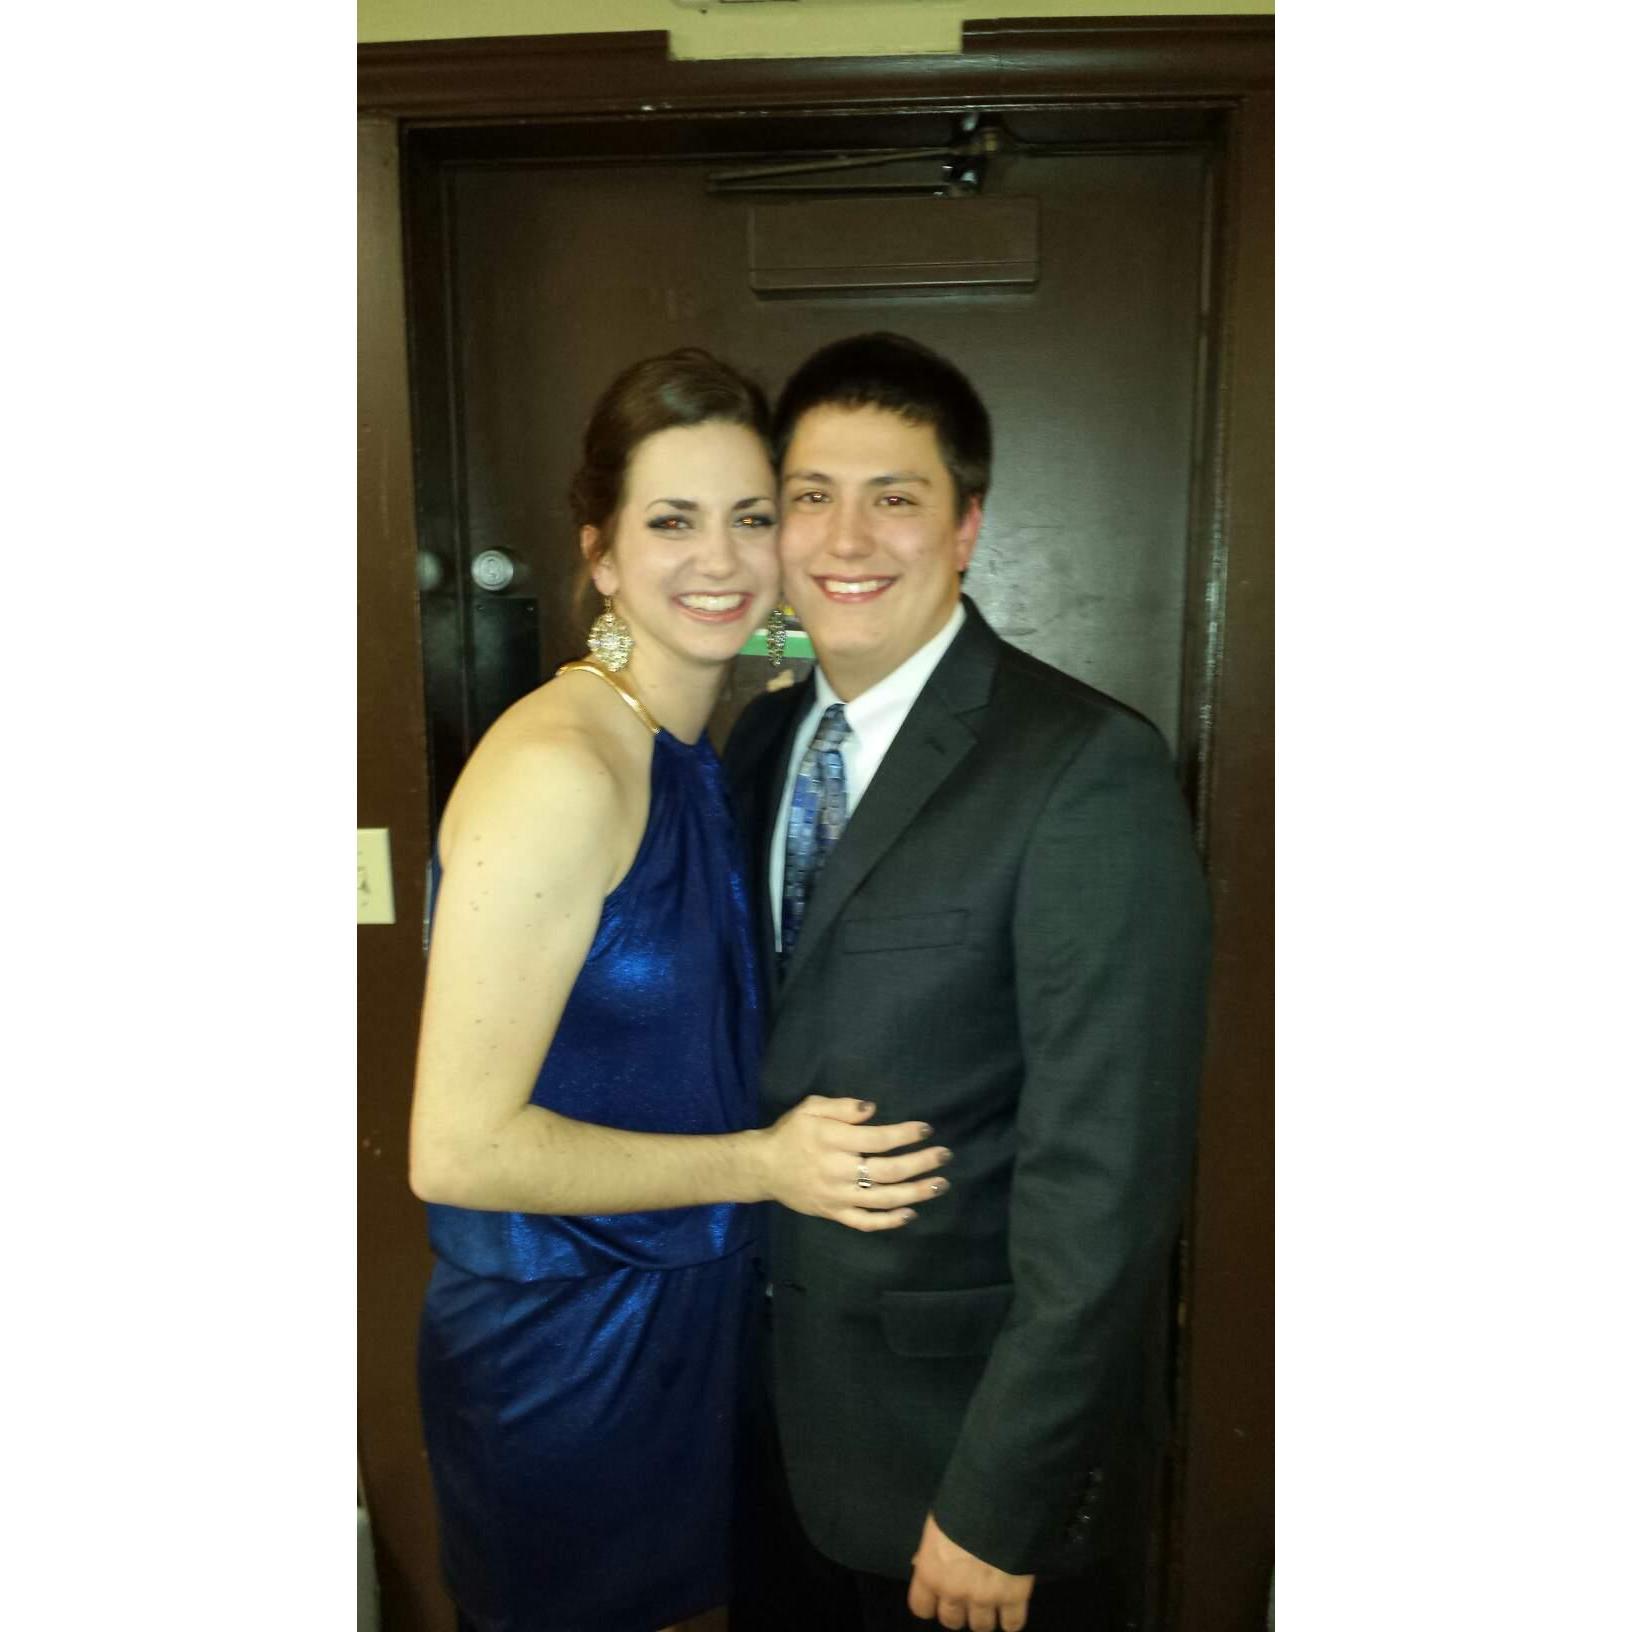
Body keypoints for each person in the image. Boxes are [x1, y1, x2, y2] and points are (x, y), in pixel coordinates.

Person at [408, 348, 954, 1632]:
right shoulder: (561, 769)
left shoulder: (703, 747)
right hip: (568, 1352)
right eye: (671, 521)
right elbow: (457, 1150)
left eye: (752, 516)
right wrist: (765, 1166)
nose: (720, 558)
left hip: (692, 1327)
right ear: (599, 555)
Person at [725, 333, 1212, 1632]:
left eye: (895, 496)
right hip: (768, 1434)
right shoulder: (760, 739)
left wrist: (1004, 1497)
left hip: (959, 1471)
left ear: (966, 527)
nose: (847, 537)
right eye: (812, 495)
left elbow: (1108, 1177)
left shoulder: (1082, 768)